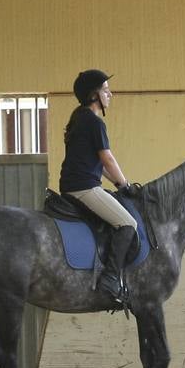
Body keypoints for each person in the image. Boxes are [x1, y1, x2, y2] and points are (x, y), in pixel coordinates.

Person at [58, 69, 140, 306]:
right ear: (94, 95)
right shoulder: (94, 122)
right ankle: (111, 278)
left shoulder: (78, 118)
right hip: (84, 188)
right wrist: (125, 185)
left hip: (73, 185)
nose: (110, 94)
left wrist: (116, 182)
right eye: (106, 90)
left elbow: (96, 163)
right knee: (128, 224)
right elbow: (108, 160)